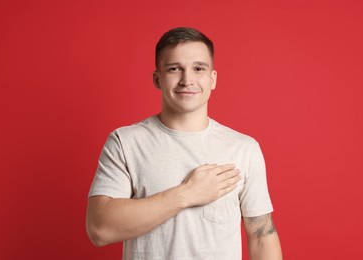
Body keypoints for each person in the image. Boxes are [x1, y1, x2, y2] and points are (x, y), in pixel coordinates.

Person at [86, 27, 282, 260]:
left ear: (212, 79)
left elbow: (261, 236)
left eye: (198, 68)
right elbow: (99, 229)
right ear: (157, 79)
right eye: (174, 69)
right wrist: (187, 194)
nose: (187, 80)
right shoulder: (125, 142)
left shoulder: (243, 148)